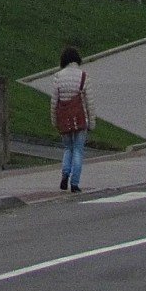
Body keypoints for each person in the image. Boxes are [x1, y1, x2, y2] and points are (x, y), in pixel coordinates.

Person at [48, 45, 94, 193]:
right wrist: (91, 122)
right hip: (80, 118)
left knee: (68, 148)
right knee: (78, 150)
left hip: (64, 119)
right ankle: (75, 183)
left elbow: (54, 101)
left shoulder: (58, 77)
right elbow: (89, 102)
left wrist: (54, 120)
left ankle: (64, 175)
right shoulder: (83, 76)